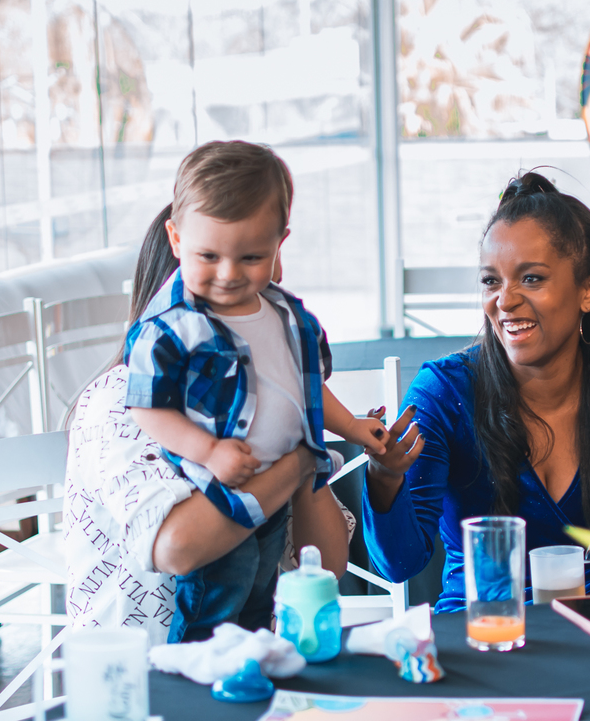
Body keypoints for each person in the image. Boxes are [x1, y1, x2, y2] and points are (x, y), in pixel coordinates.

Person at [362, 172, 590, 613]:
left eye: (530, 279)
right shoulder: (444, 392)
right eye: (491, 281)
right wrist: (384, 476)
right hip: (481, 639)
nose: (504, 301)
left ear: (588, 290)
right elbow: (399, 564)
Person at [119, 142, 388, 642]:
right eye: (209, 256)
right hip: (217, 491)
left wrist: (352, 427)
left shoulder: (288, 316)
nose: (228, 274)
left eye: (251, 257)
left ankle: (246, 666)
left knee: (260, 597)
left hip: (275, 497)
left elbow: (305, 387)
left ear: (279, 244)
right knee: (215, 601)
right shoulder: (174, 328)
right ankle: (199, 675)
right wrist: (210, 450)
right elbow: (146, 407)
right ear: (175, 240)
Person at [65, 204, 354, 645]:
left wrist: (301, 435)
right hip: (137, 677)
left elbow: (326, 566)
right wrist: (296, 463)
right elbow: (179, 546)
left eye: (261, 268)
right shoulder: (119, 401)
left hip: (243, 661)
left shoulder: (259, 396)